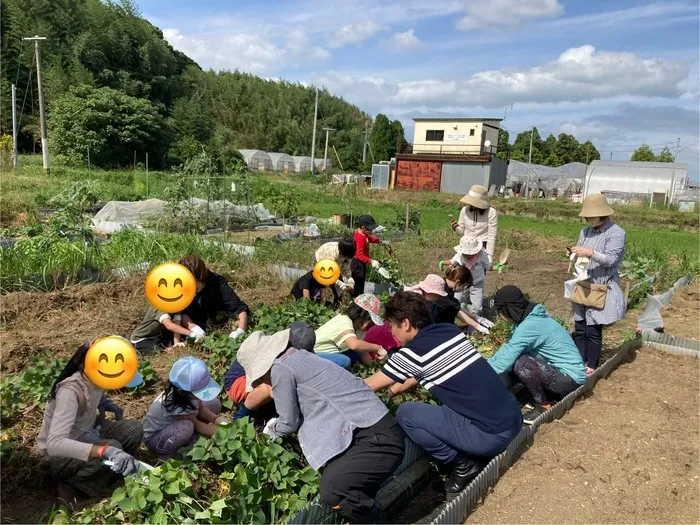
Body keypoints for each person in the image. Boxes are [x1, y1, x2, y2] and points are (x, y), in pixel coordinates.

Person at [237, 329, 405, 522]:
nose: (262, 382)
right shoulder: (299, 357)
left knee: (333, 490)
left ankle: (376, 519)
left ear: (263, 365)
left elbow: (289, 422)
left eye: (259, 377)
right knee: (338, 479)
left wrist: (269, 433)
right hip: (379, 430)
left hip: (374, 439)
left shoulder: (280, 368)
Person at [364, 292, 522, 494]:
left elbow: (366, 386)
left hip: (493, 438)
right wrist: (399, 386)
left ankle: (462, 465)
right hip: (513, 421)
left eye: (392, 326)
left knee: (406, 413)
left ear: (405, 324)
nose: (392, 333)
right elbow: (432, 367)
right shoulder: (450, 331)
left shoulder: (411, 354)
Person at [37, 342, 144, 506]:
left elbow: (93, 395)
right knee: (112, 446)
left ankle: (114, 468)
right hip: (57, 456)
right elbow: (55, 444)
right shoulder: (70, 391)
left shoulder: (96, 377)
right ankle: (74, 484)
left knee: (134, 430)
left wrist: (104, 403)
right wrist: (103, 450)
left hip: (88, 431)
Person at [487, 286, 586, 424]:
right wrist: (483, 365)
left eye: (500, 311)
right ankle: (540, 395)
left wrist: (481, 375)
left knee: (522, 363)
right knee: (519, 359)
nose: (500, 315)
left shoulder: (530, 326)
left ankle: (543, 406)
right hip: (559, 374)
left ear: (509, 308)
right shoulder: (526, 321)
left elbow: (505, 361)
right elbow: (507, 348)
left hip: (569, 379)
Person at [569, 194, 626, 375]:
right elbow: (581, 250)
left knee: (593, 328)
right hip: (583, 282)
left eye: (590, 215)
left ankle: (591, 365)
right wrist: (575, 253)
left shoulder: (617, 233)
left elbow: (611, 260)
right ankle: (579, 360)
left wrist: (590, 252)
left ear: (602, 214)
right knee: (580, 326)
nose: (587, 219)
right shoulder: (585, 231)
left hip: (601, 286)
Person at [223, 322, 316, 422]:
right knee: (270, 387)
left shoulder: (287, 345)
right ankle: (240, 418)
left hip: (258, 374)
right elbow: (270, 389)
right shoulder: (276, 355)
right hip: (237, 382)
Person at [143, 357, 229, 459]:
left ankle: (189, 438)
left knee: (214, 403)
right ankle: (167, 455)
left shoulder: (186, 393)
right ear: (185, 391)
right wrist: (223, 434)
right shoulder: (175, 403)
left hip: (175, 426)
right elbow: (197, 425)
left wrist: (217, 420)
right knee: (187, 426)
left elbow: (201, 409)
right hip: (156, 439)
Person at [179, 255, 250, 339]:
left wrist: (240, 330)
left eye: (198, 280)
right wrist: (193, 328)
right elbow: (181, 312)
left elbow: (240, 308)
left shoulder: (217, 282)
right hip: (194, 320)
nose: (195, 285)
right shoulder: (179, 286)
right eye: (191, 282)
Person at [313, 294, 387, 369]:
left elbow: (362, 351)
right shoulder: (344, 321)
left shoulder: (359, 329)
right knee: (344, 361)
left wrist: (374, 366)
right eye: (371, 323)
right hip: (313, 354)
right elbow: (354, 345)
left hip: (329, 353)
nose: (372, 326)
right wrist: (378, 348)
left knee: (356, 354)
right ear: (361, 315)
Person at [440, 235, 490, 315]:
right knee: (457, 300)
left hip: (477, 283)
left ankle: (475, 318)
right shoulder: (460, 255)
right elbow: (453, 261)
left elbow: (488, 267)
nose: (469, 256)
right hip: (463, 282)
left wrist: (497, 267)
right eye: (466, 254)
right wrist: (443, 262)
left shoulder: (482, 256)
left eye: (471, 253)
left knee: (477, 307)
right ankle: (462, 315)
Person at [450, 184, 498, 264]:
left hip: (482, 247)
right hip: (466, 246)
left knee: (478, 272)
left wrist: (489, 255)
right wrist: (455, 228)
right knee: (463, 271)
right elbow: (461, 231)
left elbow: (491, 235)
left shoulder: (491, 212)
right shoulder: (464, 210)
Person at [130, 305, 205, 354]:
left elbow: (177, 323)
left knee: (171, 346)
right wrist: (191, 334)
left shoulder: (177, 306)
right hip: (141, 339)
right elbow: (169, 325)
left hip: (156, 336)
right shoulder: (158, 307)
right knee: (162, 351)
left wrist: (177, 342)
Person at [442, 265, 493, 334]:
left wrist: (476, 317)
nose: (463, 289)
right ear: (457, 282)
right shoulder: (442, 292)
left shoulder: (448, 288)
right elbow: (457, 312)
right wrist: (478, 326)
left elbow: (456, 306)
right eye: (464, 286)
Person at [351, 215, 392, 296]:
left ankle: (359, 295)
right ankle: (356, 297)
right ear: (363, 227)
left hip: (361, 262)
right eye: (370, 229)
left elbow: (369, 238)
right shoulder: (359, 237)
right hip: (357, 264)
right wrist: (371, 261)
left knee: (362, 280)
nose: (371, 231)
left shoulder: (364, 234)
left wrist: (380, 241)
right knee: (358, 282)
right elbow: (359, 255)